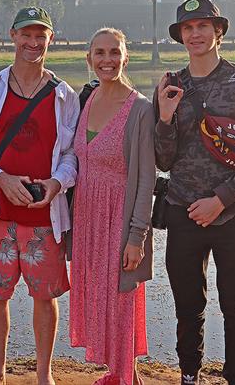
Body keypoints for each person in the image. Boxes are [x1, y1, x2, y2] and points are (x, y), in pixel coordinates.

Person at [154, 0, 235, 385]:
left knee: (234, 307)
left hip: (233, 215)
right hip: (183, 212)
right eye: (188, 28)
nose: (196, 34)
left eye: (203, 26)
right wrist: (166, 116)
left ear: (218, 32)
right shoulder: (174, 85)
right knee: (188, 307)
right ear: (181, 37)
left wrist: (221, 198)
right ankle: (190, 374)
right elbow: (164, 160)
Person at [0, 7, 78, 385]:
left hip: (44, 215)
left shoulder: (64, 96)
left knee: (45, 297)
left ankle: (44, 374)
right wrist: (1, 179)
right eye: (26, 35)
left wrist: (57, 183)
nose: (32, 42)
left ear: (50, 39)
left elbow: (71, 154)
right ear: (12, 36)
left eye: (40, 35)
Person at [69, 28, 155, 385]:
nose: (107, 60)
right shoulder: (86, 99)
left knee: (121, 299)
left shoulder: (140, 110)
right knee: (100, 299)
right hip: (87, 217)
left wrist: (136, 237)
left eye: (114, 52)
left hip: (119, 219)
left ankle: (123, 376)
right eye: (100, 53)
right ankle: (121, 373)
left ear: (125, 56)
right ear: (89, 58)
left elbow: (146, 179)